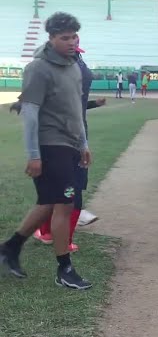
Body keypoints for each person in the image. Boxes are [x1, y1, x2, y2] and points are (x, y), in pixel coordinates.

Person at [0, 12, 93, 289]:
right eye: (65, 38)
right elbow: (30, 113)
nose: (71, 42)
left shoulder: (73, 65)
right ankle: (64, 270)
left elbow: (76, 109)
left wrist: (83, 143)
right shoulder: (38, 68)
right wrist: (34, 155)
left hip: (70, 144)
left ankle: (10, 248)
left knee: (51, 202)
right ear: (51, 38)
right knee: (64, 203)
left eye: (74, 37)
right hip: (50, 145)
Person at [32, 36, 106, 252]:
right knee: (71, 188)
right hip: (66, 136)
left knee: (60, 187)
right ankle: (61, 237)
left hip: (65, 133)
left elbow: (76, 105)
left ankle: (47, 232)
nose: (76, 55)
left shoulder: (67, 70)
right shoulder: (65, 71)